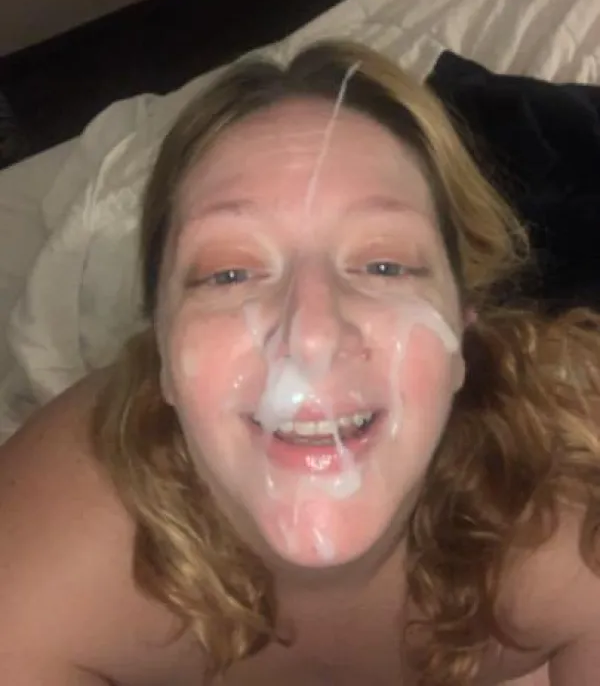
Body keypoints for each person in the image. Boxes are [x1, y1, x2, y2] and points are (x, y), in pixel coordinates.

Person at [1, 40, 598, 686]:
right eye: (229, 273)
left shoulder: (570, 520)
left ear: (462, 335)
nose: (311, 337)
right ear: (162, 356)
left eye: (384, 265)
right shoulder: (37, 573)